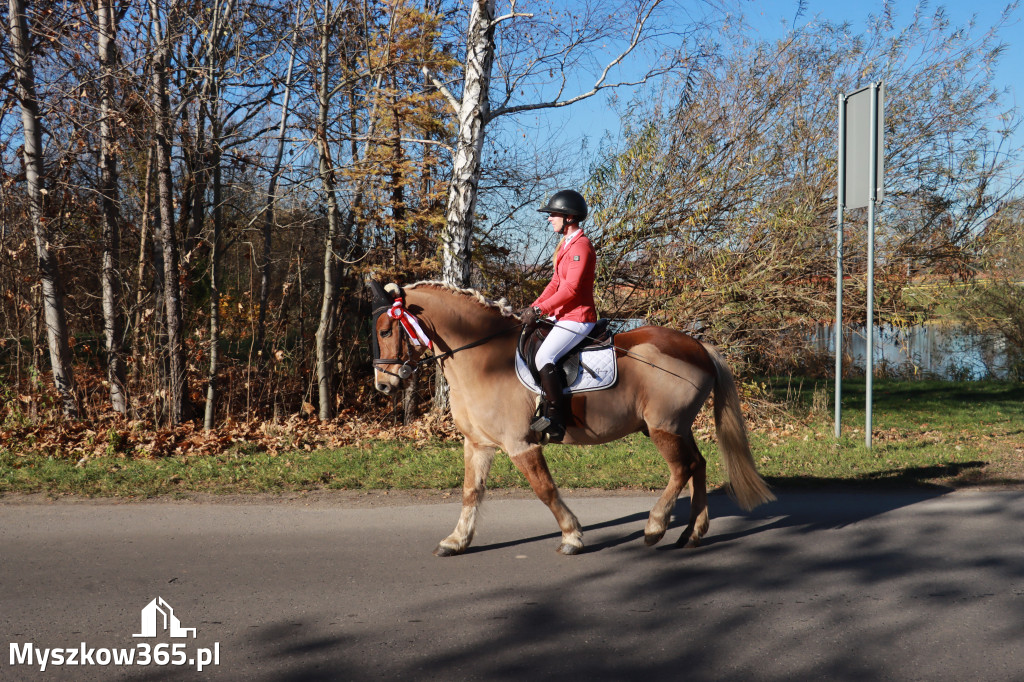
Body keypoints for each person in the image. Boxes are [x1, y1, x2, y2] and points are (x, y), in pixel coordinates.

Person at [520, 189, 597, 441]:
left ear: (569, 217)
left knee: (545, 356)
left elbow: (571, 289)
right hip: (562, 316)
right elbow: (555, 283)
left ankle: (555, 418)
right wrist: (533, 307)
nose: (549, 218)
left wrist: (541, 310)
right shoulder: (565, 245)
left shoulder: (581, 247)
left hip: (578, 318)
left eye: (553, 214)